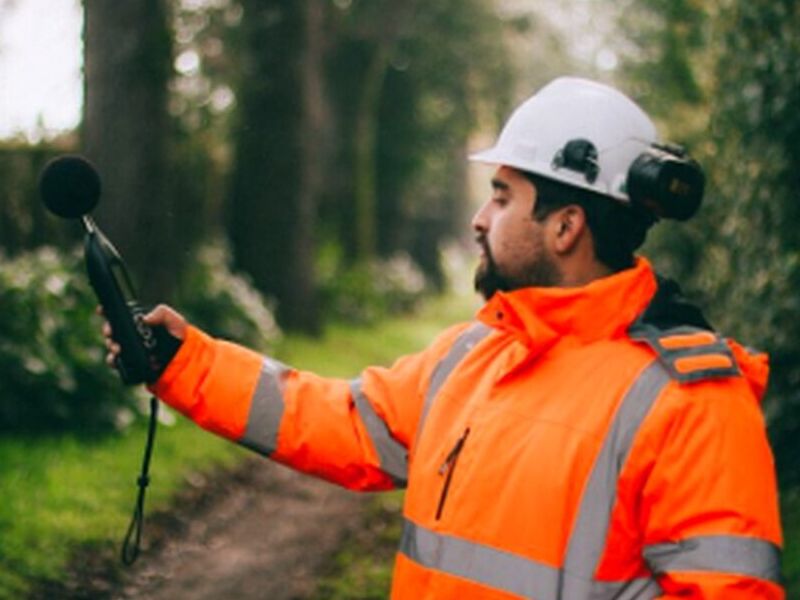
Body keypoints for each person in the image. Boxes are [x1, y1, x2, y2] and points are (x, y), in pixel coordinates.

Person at [104, 77, 784, 599]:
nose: (479, 217)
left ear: (566, 225)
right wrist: (184, 361)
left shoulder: (694, 401)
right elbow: (336, 420)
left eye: (501, 195)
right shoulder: (477, 353)